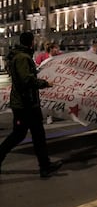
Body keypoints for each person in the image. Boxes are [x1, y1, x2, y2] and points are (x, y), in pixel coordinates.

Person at [0, 31, 62, 178]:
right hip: (25, 104)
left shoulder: (21, 55)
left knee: (37, 135)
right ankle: (45, 166)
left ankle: (45, 167)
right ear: (31, 42)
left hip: (28, 103)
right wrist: (45, 83)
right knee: (19, 135)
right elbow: (26, 80)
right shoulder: (22, 57)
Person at [35, 42, 62, 124]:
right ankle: (49, 116)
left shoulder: (60, 56)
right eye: (56, 48)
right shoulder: (43, 56)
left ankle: (54, 114)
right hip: (47, 81)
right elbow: (37, 65)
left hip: (57, 80)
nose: (58, 50)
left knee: (56, 98)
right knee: (49, 98)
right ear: (51, 49)